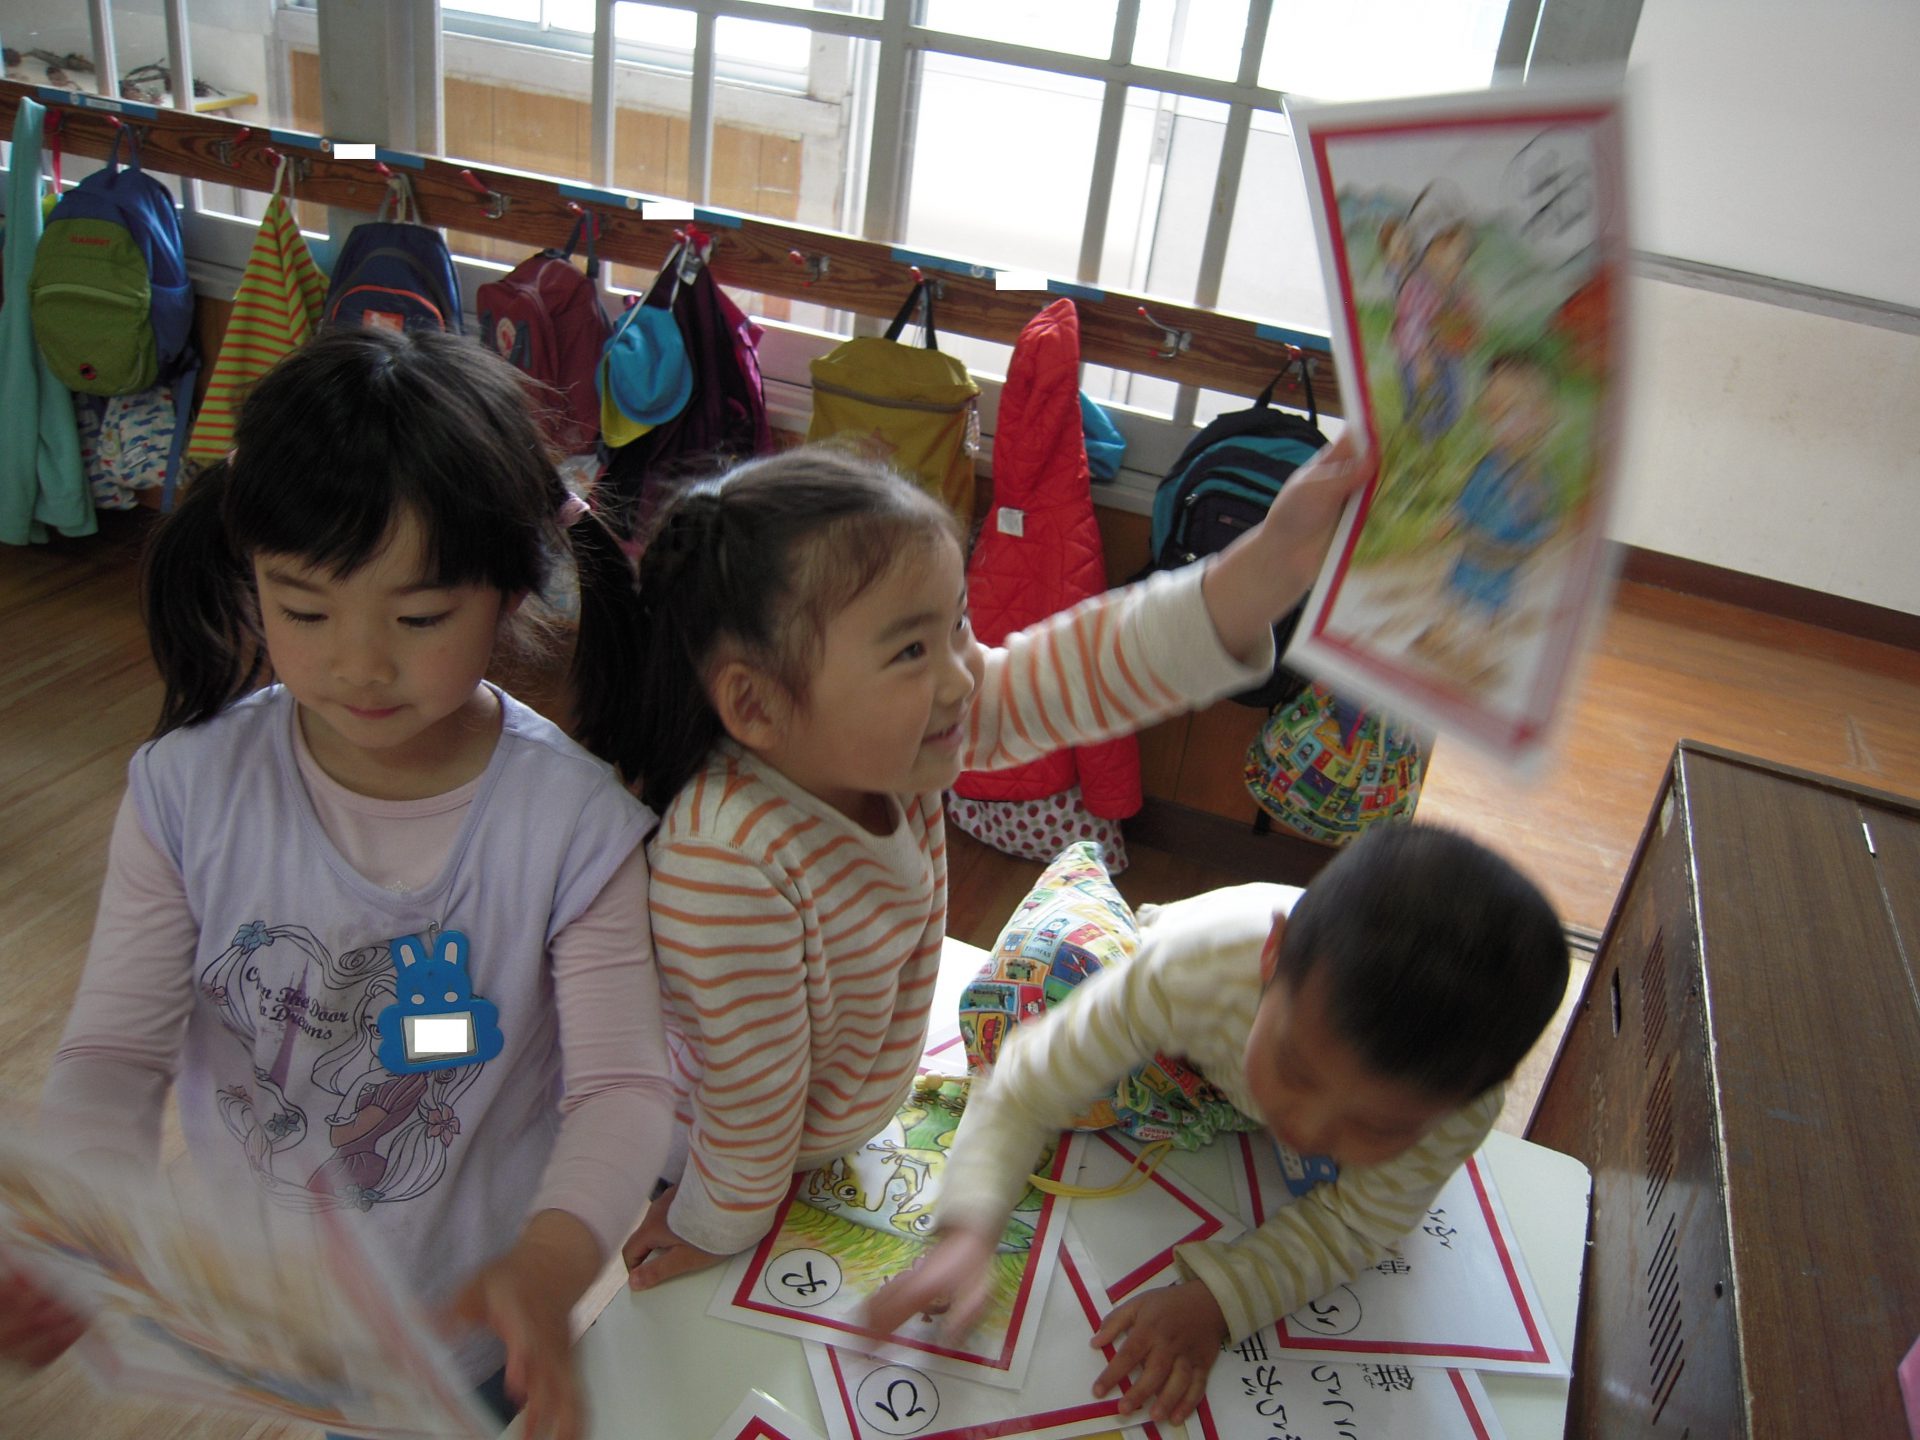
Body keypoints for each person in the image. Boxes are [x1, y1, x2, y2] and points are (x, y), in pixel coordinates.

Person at [4, 328, 673, 1440]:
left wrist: (548, 1267)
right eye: (305, 610)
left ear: (513, 589)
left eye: (418, 618)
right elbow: (115, 1054)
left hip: (473, 1318)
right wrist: (75, 1231)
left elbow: (622, 1089)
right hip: (266, 1314)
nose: (359, 663)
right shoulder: (187, 792)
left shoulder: (573, 827)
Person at [579, 434, 1370, 1293]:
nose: (962, 678)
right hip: (724, 1161)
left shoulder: (886, 735)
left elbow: (1085, 667)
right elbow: (749, 1096)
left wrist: (1266, 565)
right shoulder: (725, 862)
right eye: (910, 651)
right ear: (757, 704)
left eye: (955, 623)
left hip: (826, 1116)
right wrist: (712, 1223)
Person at [863, 824, 1567, 1426]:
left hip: (1224, 1072)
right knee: (1047, 979)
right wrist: (970, 1224)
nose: (1306, 1130)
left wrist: (1218, 1301)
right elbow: (1027, 1081)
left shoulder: (1459, 1109)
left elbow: (1356, 1227)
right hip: (1172, 1017)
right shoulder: (1197, 968)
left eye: (1378, 1128)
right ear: (1273, 955)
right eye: (1297, 1071)